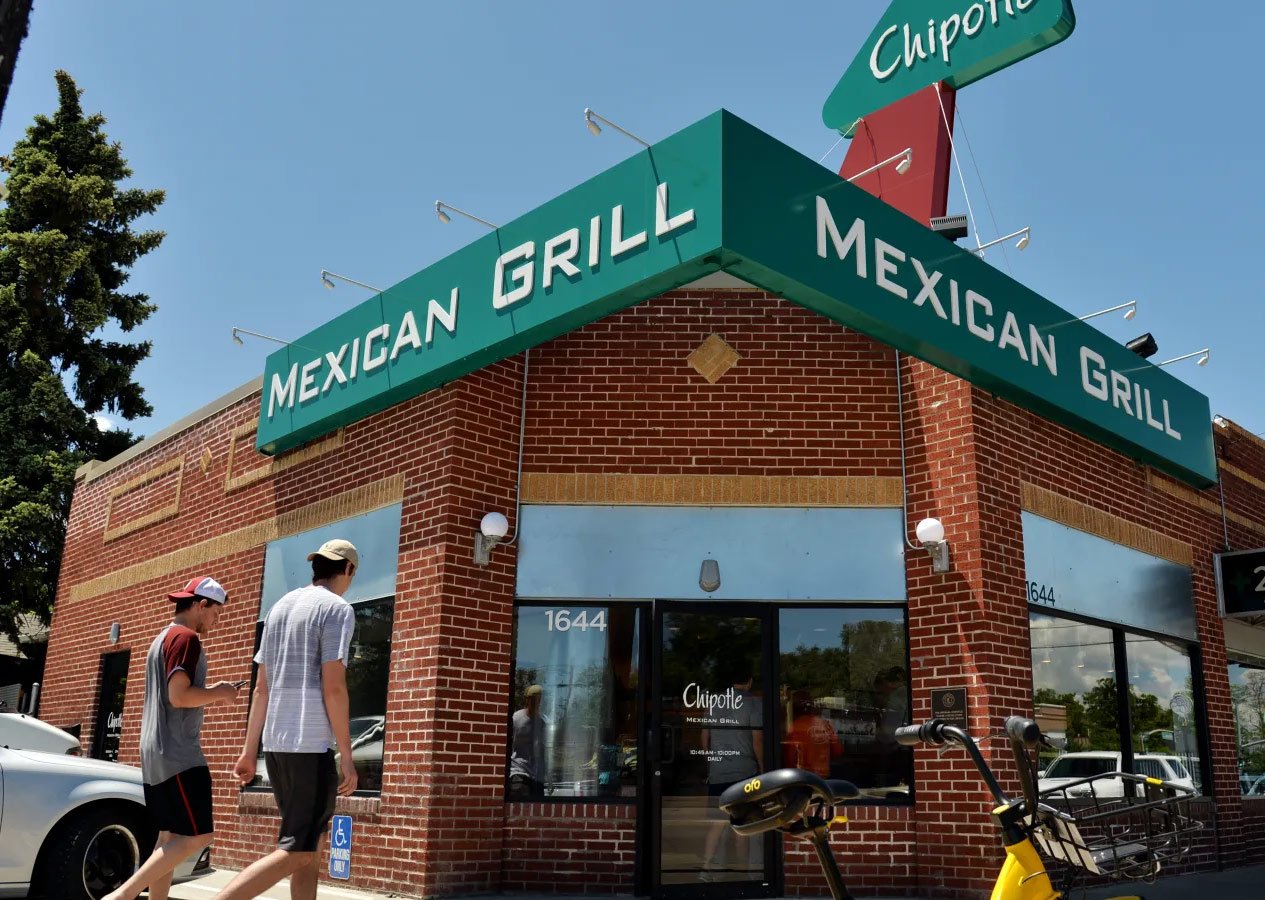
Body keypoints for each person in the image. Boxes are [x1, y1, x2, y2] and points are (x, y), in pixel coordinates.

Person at [215, 539, 360, 900]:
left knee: (308, 850)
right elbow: (334, 687)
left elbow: (260, 689)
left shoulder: (279, 608)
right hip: (310, 747)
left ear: (316, 567)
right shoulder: (337, 609)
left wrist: (250, 752)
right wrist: (347, 756)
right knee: (297, 849)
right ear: (349, 570)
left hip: (277, 747)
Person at [104, 577, 240, 900]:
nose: (215, 621)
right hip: (179, 755)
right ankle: (121, 895)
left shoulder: (161, 638)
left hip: (155, 754)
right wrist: (219, 693)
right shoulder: (186, 637)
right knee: (198, 835)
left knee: (168, 838)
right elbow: (179, 696)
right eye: (215, 613)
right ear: (201, 604)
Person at [700, 661, 763, 881]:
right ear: (749, 682)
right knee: (742, 827)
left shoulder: (714, 702)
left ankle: (706, 870)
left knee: (715, 826)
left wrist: (711, 763)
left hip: (718, 772)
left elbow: (704, 736)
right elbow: (757, 741)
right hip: (744, 773)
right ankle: (742, 873)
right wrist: (763, 768)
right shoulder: (754, 705)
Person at [783, 689, 843, 777]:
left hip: (803, 778)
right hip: (823, 777)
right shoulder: (825, 725)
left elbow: (790, 759)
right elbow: (838, 751)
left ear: (794, 708)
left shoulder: (795, 728)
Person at [508, 684, 547, 799]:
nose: (536, 702)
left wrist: (546, 776)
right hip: (518, 770)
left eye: (539, 699)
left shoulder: (541, 722)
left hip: (535, 774)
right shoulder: (516, 719)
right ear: (527, 699)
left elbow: (542, 749)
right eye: (533, 699)